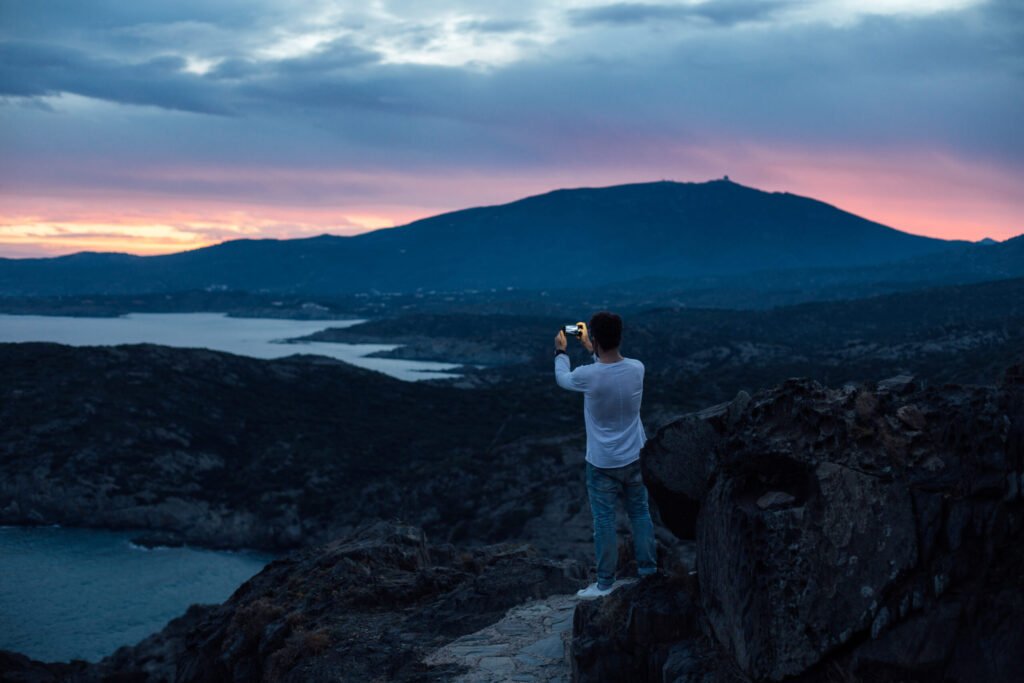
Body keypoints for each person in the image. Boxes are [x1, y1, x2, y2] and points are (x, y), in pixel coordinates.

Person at [553, 311, 657, 599]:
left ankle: (604, 584)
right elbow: (609, 369)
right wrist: (593, 347)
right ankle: (649, 573)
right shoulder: (637, 368)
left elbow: (563, 378)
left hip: (601, 463)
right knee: (640, 514)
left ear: (596, 339)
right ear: (620, 337)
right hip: (636, 455)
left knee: (604, 522)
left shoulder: (588, 376)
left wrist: (560, 351)